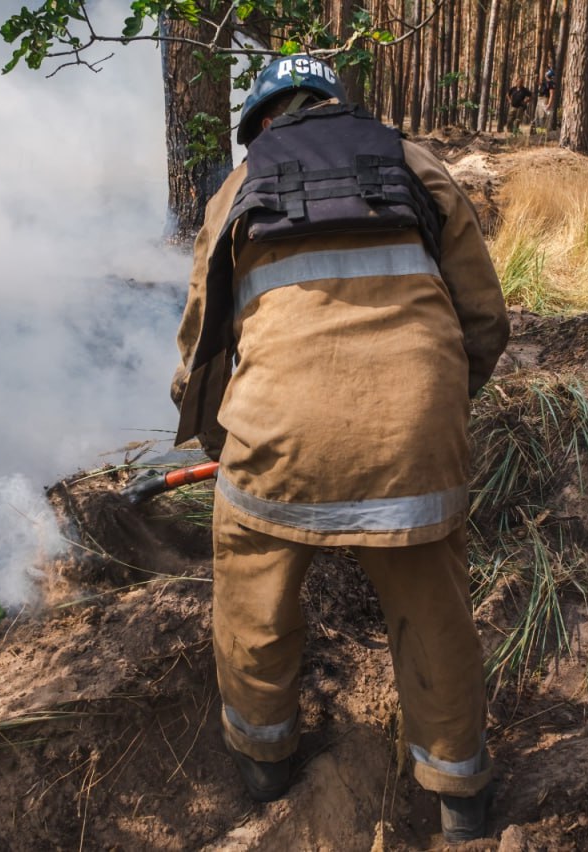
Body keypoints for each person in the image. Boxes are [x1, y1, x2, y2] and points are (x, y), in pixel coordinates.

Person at [170, 54, 510, 842]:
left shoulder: (236, 190)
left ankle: (265, 765)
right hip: (416, 439)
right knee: (435, 615)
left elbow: (201, 355)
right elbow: (485, 321)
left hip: (277, 439)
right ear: (333, 105)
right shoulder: (415, 162)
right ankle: (460, 797)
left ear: (260, 123)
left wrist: (229, 444)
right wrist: (433, 418)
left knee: (253, 598)